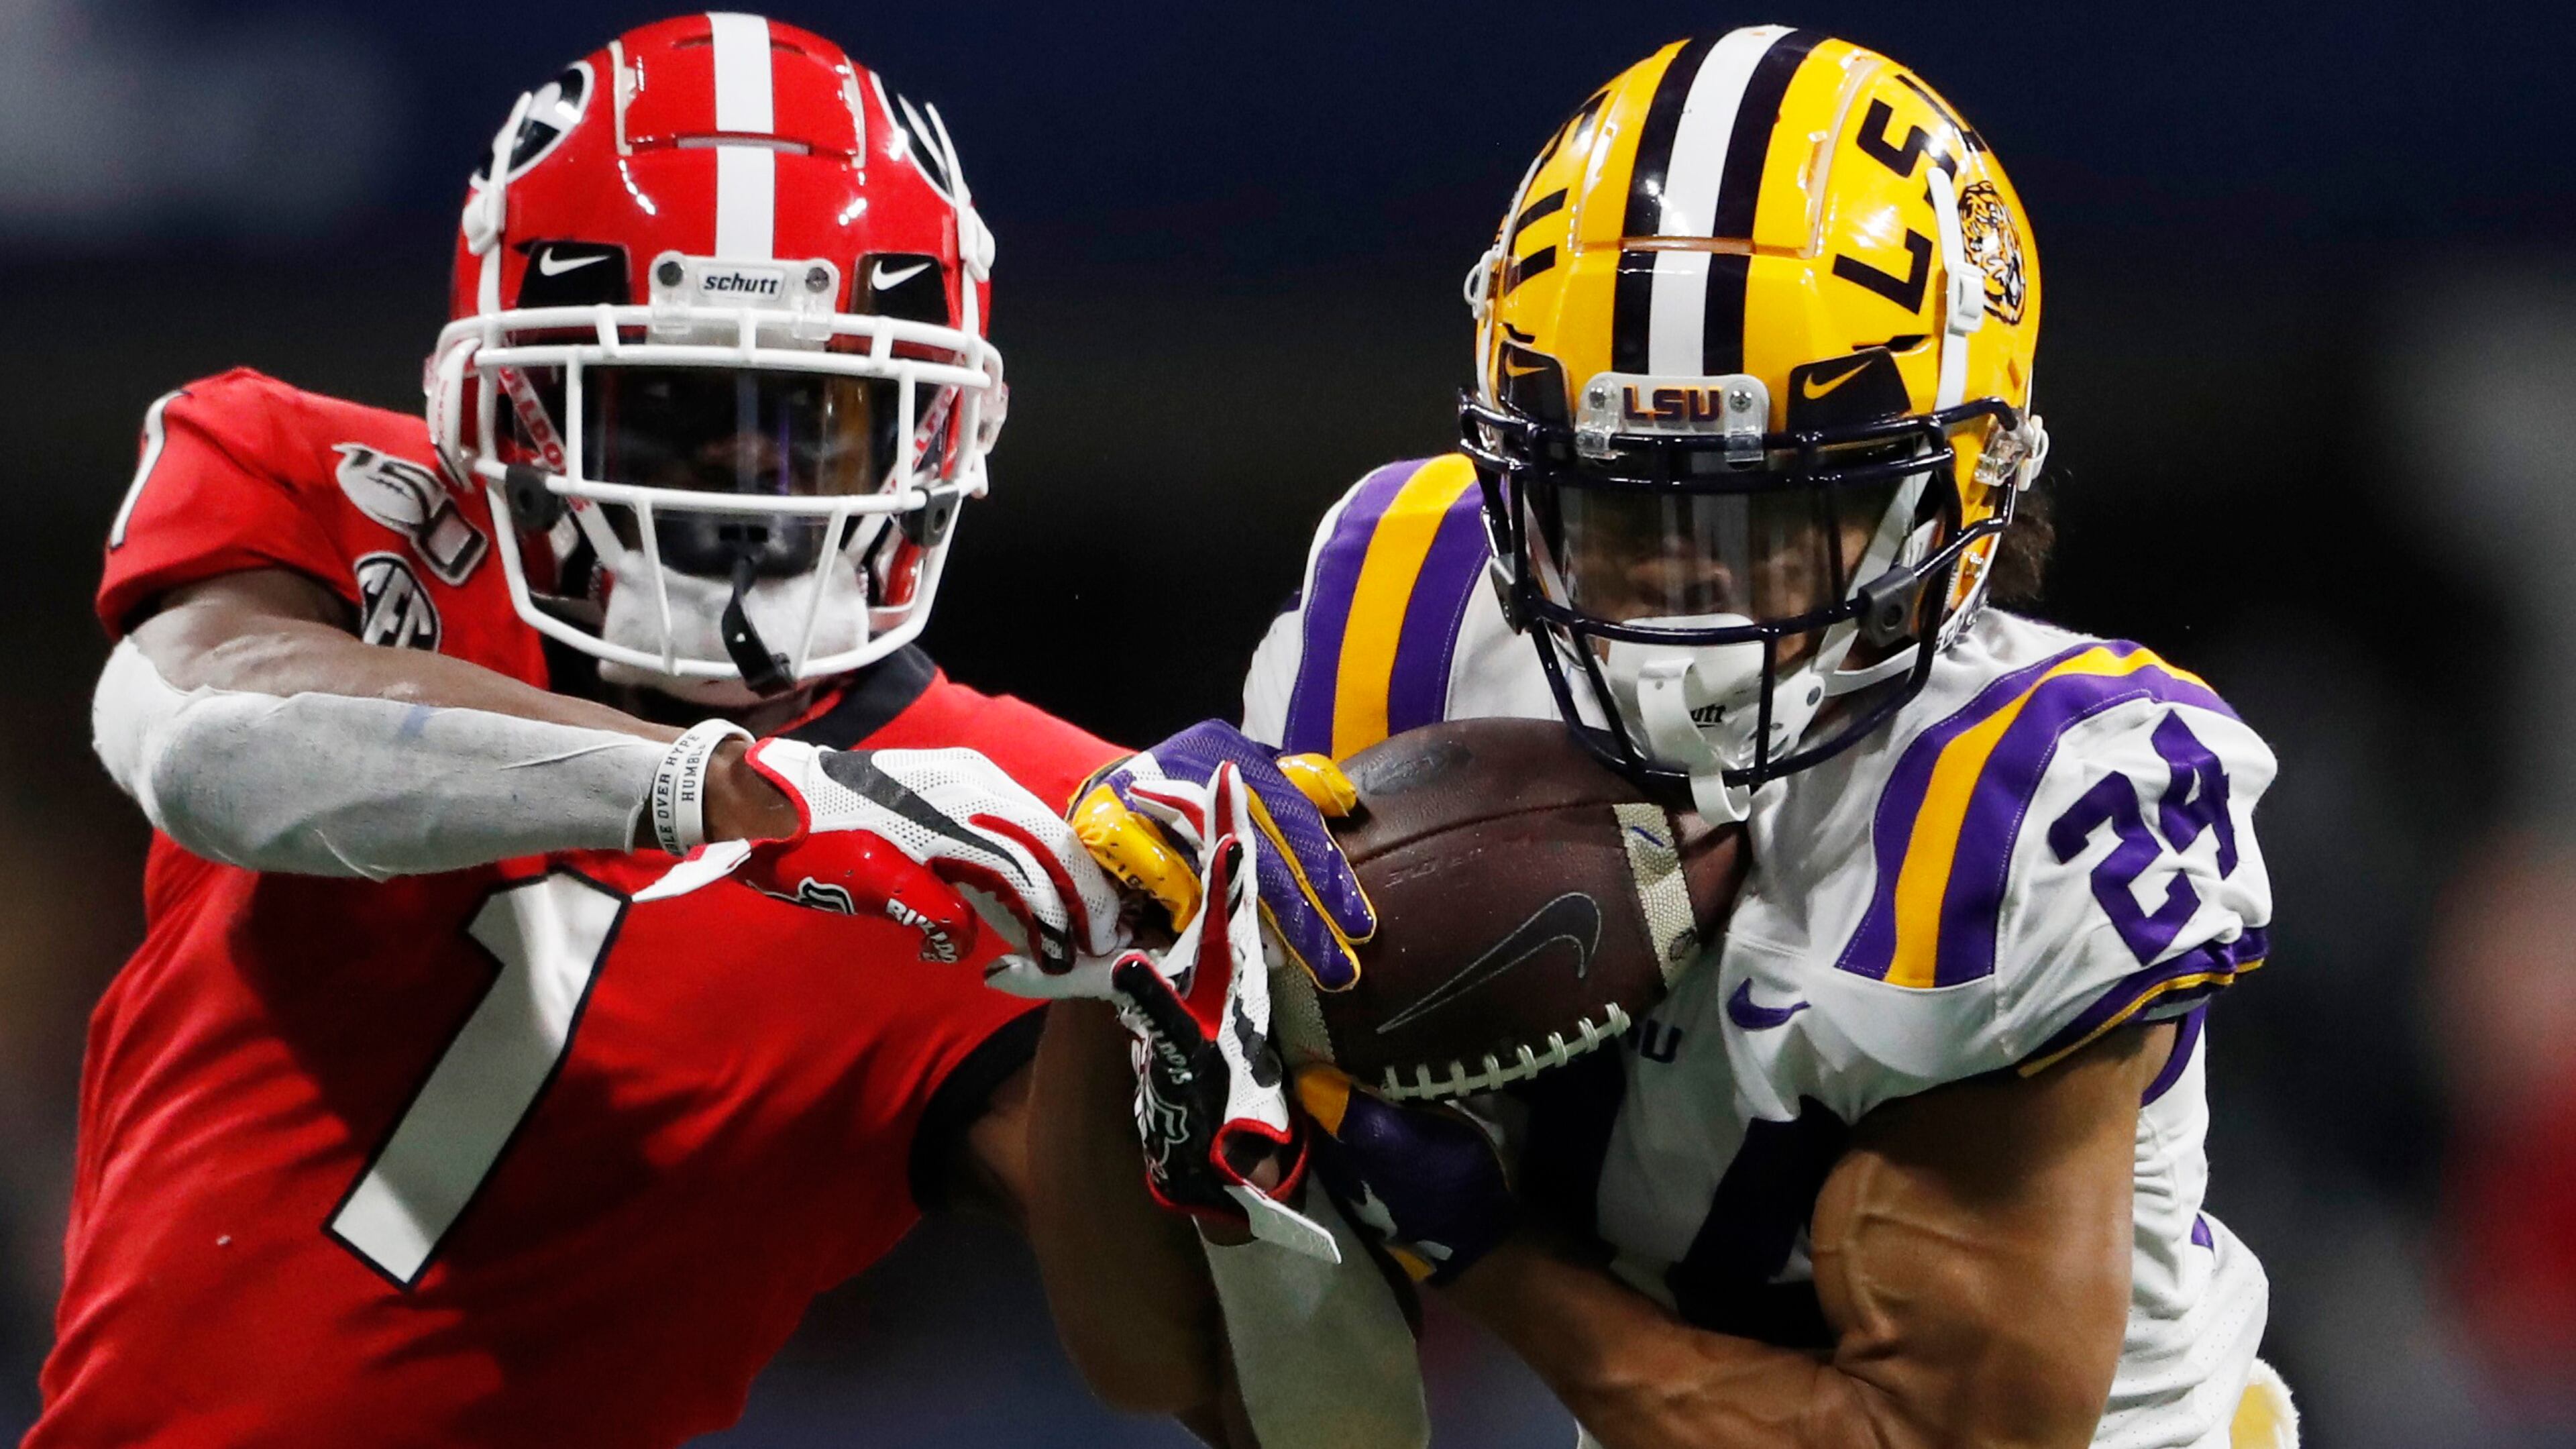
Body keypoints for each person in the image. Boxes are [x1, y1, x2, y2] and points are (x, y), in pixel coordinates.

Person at [36, 15, 1357, 1446]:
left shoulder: (1038, 808)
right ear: (514, 410)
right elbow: (204, 741)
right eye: (669, 415)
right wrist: (715, 788)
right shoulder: (329, 491)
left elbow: (1245, 1394)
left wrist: (1196, 1066)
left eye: (818, 423)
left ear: (933, 434)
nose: (744, 496)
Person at [1049, 28, 2303, 1449]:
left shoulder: (2024, 805)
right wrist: (1131, 963)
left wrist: (1487, 1258)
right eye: (1624, 512)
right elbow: (1179, 1376)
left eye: (1763, 522)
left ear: (1964, 493)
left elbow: (1936, 1439)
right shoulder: (1405, 627)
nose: (1681, 606)